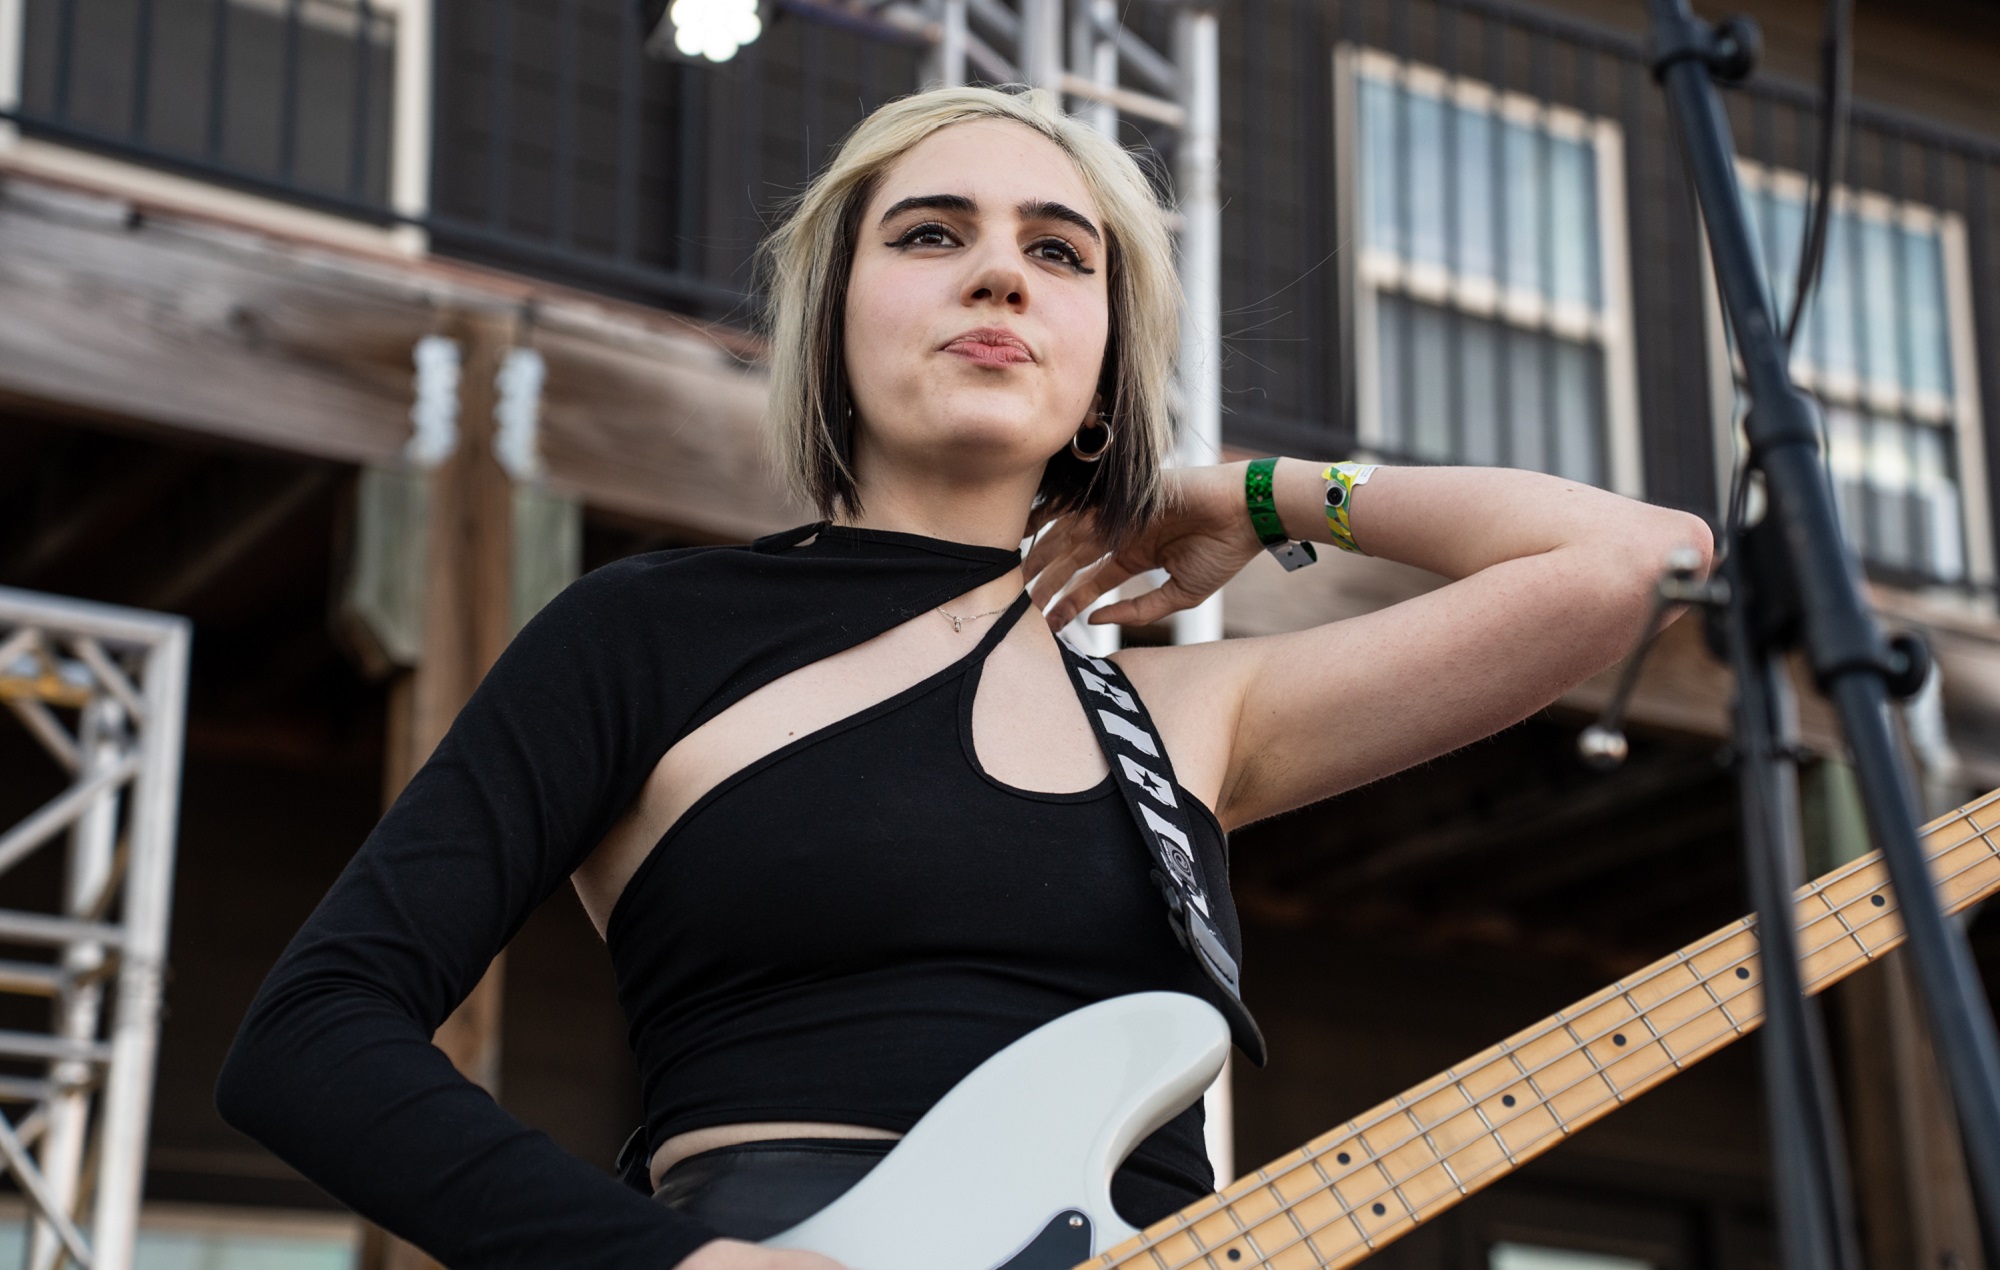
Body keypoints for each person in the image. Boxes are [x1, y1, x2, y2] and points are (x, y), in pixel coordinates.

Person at [216, 85, 1711, 1270]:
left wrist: (1254, 493)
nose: (1001, 267)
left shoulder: (1185, 716)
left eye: (1062, 253)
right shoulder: (645, 638)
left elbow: (1635, 567)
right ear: (837, 320)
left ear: (1104, 355)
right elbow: (314, 1035)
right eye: (931, 233)